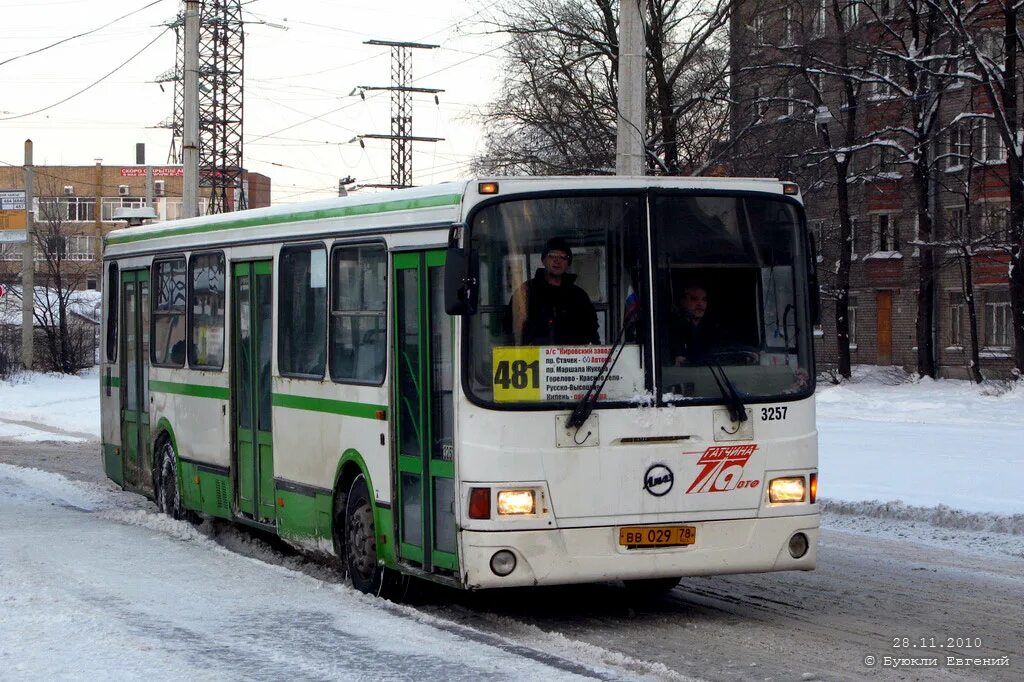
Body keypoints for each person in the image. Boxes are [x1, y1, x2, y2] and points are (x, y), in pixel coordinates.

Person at [508, 237, 600, 346]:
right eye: (552, 256)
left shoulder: (579, 296)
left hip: (572, 360)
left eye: (563, 257)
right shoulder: (525, 293)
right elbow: (511, 330)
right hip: (534, 359)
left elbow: (592, 332)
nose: (557, 261)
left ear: (568, 263)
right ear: (543, 260)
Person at [671, 282, 725, 365]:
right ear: (682, 302)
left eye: (704, 299)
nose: (700, 304)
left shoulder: (713, 329)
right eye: (694, 299)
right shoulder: (673, 330)